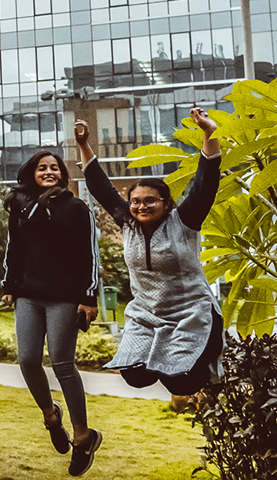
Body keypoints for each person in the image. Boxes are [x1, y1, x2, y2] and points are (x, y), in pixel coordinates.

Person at [80, 108, 223, 394]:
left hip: (190, 312)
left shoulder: (185, 221)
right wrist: (83, 145)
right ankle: (167, 358)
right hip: (147, 315)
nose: (141, 206)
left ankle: (208, 353)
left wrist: (209, 133)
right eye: (135, 201)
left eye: (150, 201)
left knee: (183, 383)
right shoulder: (128, 223)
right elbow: (101, 188)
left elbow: (205, 183)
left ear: (166, 203)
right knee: (135, 376)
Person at [0, 150, 103, 475]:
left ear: (63, 174)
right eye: (42, 167)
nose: (48, 172)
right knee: (28, 360)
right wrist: (9, 285)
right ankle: (50, 415)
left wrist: (89, 297)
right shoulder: (20, 205)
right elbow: (13, 247)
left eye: (54, 168)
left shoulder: (76, 208)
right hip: (29, 294)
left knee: (62, 362)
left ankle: (83, 436)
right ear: (32, 172)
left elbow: (91, 253)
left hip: (64, 297)